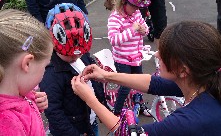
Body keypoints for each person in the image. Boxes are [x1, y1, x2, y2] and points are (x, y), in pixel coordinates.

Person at [72, 20, 221, 135]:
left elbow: (128, 133)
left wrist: (90, 98)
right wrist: (106, 75)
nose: (156, 55)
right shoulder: (202, 81)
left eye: (163, 54)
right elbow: (155, 83)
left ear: (183, 70)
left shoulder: (188, 121)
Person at [39, 3, 105, 136]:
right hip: (74, 129)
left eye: (80, 52)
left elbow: (94, 84)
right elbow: (54, 112)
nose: (76, 56)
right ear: (55, 43)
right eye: (69, 54)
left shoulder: (84, 56)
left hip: (90, 121)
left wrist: (102, 102)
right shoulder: (51, 72)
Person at [0, 9, 53, 135]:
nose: (44, 72)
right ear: (27, 64)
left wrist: (32, 103)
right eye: (44, 66)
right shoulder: (7, 124)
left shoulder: (17, 92)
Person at [107, 0, 151, 115]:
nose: (137, 10)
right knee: (125, 87)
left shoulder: (136, 14)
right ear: (124, 2)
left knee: (140, 83)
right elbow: (114, 40)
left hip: (136, 57)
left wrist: (144, 30)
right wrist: (132, 30)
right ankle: (117, 111)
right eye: (135, 6)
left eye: (139, 7)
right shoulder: (115, 17)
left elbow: (145, 27)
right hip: (123, 59)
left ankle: (140, 105)